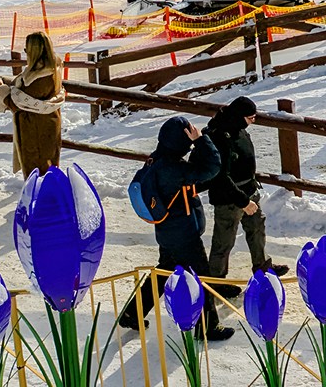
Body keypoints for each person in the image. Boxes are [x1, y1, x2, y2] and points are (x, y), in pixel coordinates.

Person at [117, 117, 233, 340]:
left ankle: (132, 313)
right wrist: (201, 140)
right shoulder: (173, 167)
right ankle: (207, 327)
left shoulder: (156, 159)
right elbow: (212, 168)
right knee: (201, 277)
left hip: (165, 231)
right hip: (183, 234)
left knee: (163, 273)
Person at [204, 96, 286, 294]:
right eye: (250, 117)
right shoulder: (220, 136)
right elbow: (221, 176)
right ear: (239, 116)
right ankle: (214, 282)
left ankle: (262, 267)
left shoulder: (237, 128)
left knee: (257, 228)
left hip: (248, 190)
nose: (253, 121)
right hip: (230, 198)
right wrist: (243, 201)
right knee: (224, 240)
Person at [0, 32, 65, 175]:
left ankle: (39, 196)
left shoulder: (41, 76)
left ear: (34, 51)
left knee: (37, 170)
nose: (26, 53)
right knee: (48, 166)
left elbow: (18, 103)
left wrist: (0, 87)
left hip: (35, 129)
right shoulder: (51, 68)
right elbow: (24, 91)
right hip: (47, 123)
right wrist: (3, 83)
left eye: (27, 50)